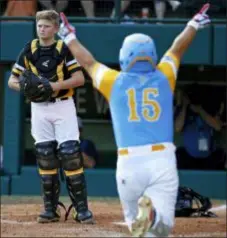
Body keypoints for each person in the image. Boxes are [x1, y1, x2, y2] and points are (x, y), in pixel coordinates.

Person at [58, 4, 211, 237]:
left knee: (136, 228)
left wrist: (69, 36)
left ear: (124, 56)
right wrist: (193, 23)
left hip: (129, 163)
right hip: (161, 160)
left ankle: (147, 218)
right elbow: (177, 48)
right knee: (163, 228)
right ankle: (155, 217)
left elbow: (88, 62)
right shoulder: (164, 77)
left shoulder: (114, 81)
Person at [8, 10, 93, 224]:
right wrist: (27, 88)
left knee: (71, 155)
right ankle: (50, 210)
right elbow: (12, 81)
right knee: (45, 155)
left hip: (63, 105)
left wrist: (52, 86)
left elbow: (79, 78)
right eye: (39, 26)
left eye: (46, 26)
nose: (42, 29)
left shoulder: (63, 49)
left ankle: (81, 209)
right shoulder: (29, 49)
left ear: (56, 29)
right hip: (39, 108)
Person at [175, 87, 226, 170]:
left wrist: (200, 110)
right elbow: (178, 128)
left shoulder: (208, 111)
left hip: (208, 156)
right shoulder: (183, 112)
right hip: (189, 156)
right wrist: (185, 106)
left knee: (219, 155)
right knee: (179, 154)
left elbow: (217, 126)